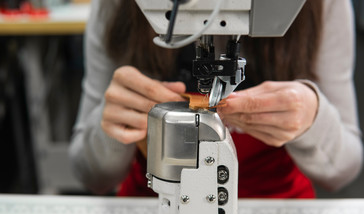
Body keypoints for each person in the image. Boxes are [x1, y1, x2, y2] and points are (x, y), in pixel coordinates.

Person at [69, 0, 363, 198]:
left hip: (276, 206)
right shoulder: (118, 6)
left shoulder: (323, 5)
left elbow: (344, 170)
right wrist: (112, 130)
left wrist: (313, 118)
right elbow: (90, 175)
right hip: (153, 205)